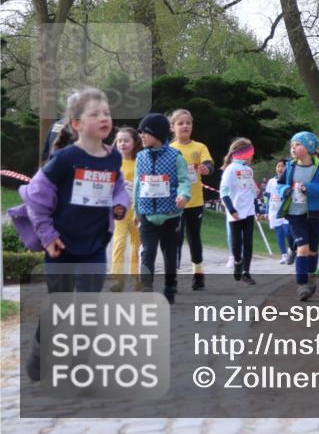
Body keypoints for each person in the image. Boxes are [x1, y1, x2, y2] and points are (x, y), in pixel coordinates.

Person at [12, 88, 129, 382]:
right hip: (60, 246)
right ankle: (40, 356)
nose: (104, 118)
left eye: (106, 113)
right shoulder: (64, 160)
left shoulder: (113, 158)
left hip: (94, 244)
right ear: (76, 124)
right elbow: (36, 201)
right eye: (95, 114)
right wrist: (48, 236)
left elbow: (119, 188)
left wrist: (119, 204)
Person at [134, 113, 192, 304]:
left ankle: (170, 285)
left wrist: (183, 194)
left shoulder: (175, 156)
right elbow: (137, 185)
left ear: (157, 134)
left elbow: (184, 180)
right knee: (147, 251)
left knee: (170, 253)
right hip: (147, 214)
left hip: (170, 215)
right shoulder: (140, 157)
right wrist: (136, 210)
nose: (141, 136)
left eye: (145, 133)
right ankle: (147, 287)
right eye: (140, 132)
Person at [276, 131, 319, 300]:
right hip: (295, 214)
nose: (293, 148)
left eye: (297, 145)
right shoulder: (289, 167)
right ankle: (302, 284)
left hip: (315, 214)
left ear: (309, 148)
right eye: (292, 145)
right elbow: (279, 185)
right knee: (302, 249)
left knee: (311, 250)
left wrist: (310, 188)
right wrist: (285, 190)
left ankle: (310, 278)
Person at [169, 109, 214, 290]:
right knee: (174, 239)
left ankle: (198, 274)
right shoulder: (170, 150)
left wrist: (206, 169)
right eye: (180, 123)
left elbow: (209, 164)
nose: (185, 126)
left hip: (195, 202)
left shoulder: (199, 147)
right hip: (175, 202)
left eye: (188, 123)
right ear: (173, 127)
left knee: (194, 237)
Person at [220, 138, 259, 285]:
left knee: (248, 242)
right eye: (251, 153)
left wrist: (256, 206)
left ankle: (246, 272)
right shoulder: (230, 170)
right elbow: (224, 192)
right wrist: (231, 209)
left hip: (248, 211)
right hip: (235, 212)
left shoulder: (248, 170)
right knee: (237, 243)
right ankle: (237, 261)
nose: (252, 157)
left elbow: (251, 190)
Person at [109, 126, 142, 291]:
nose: (122, 143)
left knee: (138, 244)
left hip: (138, 211)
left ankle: (137, 279)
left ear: (135, 142)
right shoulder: (112, 161)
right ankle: (117, 280)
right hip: (119, 210)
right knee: (119, 242)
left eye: (126, 140)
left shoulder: (140, 161)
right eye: (119, 140)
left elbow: (145, 183)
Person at [264, 160, 294, 263]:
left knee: (287, 231)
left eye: (282, 166)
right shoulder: (271, 181)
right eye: (278, 166)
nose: (280, 168)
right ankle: (284, 255)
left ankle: (292, 250)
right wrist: (266, 210)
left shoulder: (288, 180)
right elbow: (267, 196)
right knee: (279, 233)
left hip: (285, 210)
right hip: (273, 210)